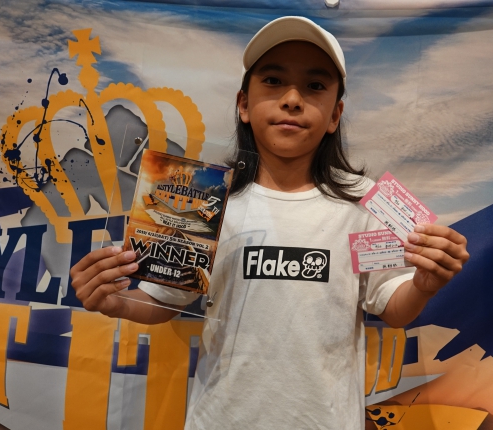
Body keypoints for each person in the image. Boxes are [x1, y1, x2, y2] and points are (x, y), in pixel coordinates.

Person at [70, 16, 469, 430]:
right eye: (274, 81)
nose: (292, 99)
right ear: (244, 104)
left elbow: (392, 308)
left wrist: (424, 284)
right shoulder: (203, 198)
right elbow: (164, 301)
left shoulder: (364, 202)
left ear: (335, 114)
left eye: (315, 86)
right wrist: (115, 302)